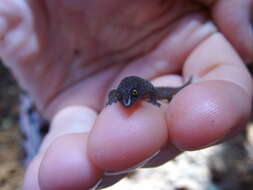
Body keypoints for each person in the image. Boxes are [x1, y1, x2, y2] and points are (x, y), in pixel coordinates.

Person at [0, 0, 252, 189]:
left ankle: (182, 88)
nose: (128, 104)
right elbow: (116, 94)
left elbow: (151, 91)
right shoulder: (120, 95)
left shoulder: (143, 91)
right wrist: (113, 100)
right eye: (124, 99)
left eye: (131, 98)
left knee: (171, 96)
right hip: (61, 96)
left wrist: (152, 101)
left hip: (152, 88)